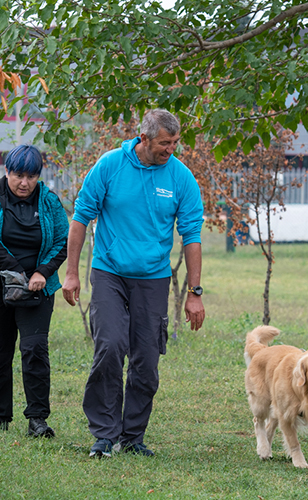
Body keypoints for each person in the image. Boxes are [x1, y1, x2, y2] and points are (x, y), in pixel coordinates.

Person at [62, 109, 205, 458]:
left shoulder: (181, 178)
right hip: (109, 272)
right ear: (143, 139)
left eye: (174, 143)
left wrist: (194, 292)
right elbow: (81, 217)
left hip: (153, 279)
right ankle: (103, 435)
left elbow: (192, 236)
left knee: (146, 360)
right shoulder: (110, 165)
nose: (170, 150)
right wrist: (71, 272)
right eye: (163, 143)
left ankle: (133, 436)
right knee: (109, 346)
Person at [0, 145, 68, 437]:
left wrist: (42, 272)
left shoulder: (50, 201)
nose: (24, 183)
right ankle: (1, 416)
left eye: (31, 176)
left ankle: (37, 419)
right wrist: (17, 271)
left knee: (35, 350)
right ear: (7, 172)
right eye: (18, 175)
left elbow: (63, 241)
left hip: (38, 288)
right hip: (2, 283)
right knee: (1, 352)